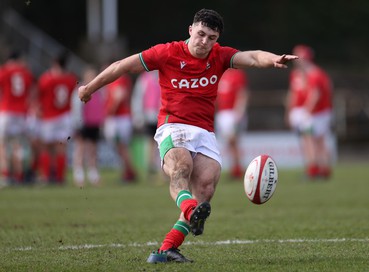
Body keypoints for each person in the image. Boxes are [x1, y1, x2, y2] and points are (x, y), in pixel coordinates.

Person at [78, 8, 297, 263]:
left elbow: (252, 56)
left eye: (211, 37)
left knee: (206, 185)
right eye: (201, 34)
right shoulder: (167, 52)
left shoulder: (220, 56)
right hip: (173, 126)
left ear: (217, 39)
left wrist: (273, 59)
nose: (204, 42)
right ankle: (190, 210)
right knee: (181, 167)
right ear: (190, 30)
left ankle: (167, 249)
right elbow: (121, 66)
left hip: (204, 132)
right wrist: (89, 88)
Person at [285, 44, 333, 180]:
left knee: (313, 141)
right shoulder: (298, 74)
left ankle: (315, 169)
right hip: (312, 112)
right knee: (313, 140)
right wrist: (290, 111)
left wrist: (306, 111)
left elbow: (315, 95)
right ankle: (321, 169)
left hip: (318, 113)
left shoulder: (315, 74)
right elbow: (294, 94)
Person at [37, 52, 77, 185]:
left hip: (49, 116)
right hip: (65, 116)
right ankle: (60, 177)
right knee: (61, 147)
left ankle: (46, 176)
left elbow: (39, 96)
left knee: (46, 147)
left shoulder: (46, 79)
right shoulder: (71, 79)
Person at [0, 51, 35, 186]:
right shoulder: (26, 72)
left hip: (7, 111)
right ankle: (19, 176)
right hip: (21, 113)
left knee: (3, 145)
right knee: (18, 145)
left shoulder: (4, 70)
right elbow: (30, 90)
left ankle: (7, 175)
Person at [72, 66, 105, 187]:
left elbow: (101, 107)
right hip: (83, 123)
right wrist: (77, 123)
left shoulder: (99, 91)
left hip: (94, 123)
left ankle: (93, 175)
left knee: (93, 150)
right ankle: (78, 175)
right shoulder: (81, 90)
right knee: (80, 149)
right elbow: (76, 108)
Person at [103, 70, 137, 183]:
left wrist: (110, 111)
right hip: (122, 118)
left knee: (122, 147)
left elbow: (119, 96)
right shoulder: (124, 78)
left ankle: (129, 172)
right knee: (121, 147)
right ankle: (128, 171)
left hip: (119, 118)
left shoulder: (119, 78)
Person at [215, 68, 249, 179]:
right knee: (229, 143)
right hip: (222, 113)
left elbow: (242, 93)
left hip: (232, 113)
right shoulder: (219, 74)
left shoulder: (237, 74)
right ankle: (235, 168)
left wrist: (239, 111)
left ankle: (238, 168)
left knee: (234, 141)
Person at [131, 70, 161, 176]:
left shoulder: (164, 75)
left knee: (161, 143)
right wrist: (138, 115)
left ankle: (161, 169)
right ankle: (151, 167)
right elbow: (138, 97)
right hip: (149, 115)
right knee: (150, 142)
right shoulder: (144, 78)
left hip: (162, 115)